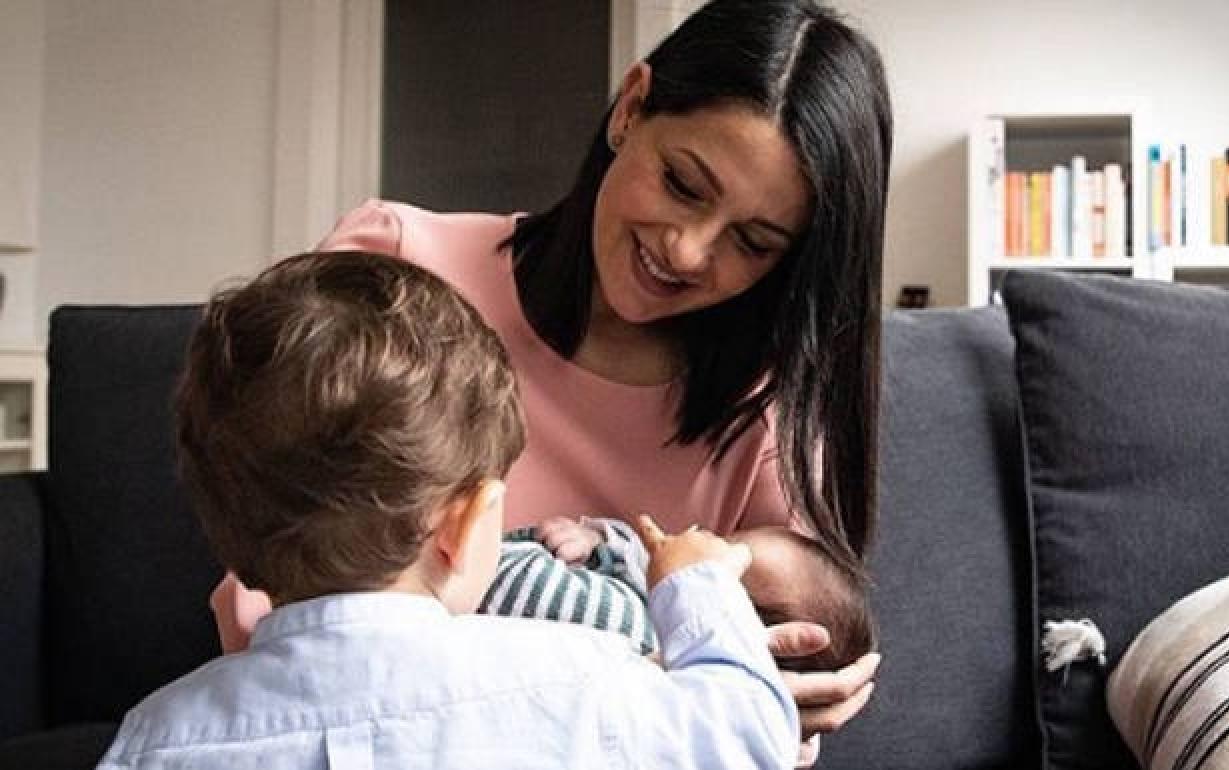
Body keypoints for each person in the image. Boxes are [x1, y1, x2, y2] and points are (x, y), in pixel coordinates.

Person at [213, 0, 892, 756]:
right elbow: (270, 567)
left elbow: (779, 659)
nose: (689, 251)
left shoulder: (757, 416)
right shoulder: (399, 265)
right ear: (631, 109)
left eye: (754, 241)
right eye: (682, 184)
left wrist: (777, 699)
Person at [97, 250, 799, 770]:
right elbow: (750, 732)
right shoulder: (586, 677)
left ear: (227, 534)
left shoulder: (156, 742)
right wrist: (694, 583)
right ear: (464, 527)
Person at [486, 515, 875, 674]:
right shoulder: (659, 586)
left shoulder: (637, 637)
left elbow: (505, 579)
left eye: (718, 563)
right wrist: (593, 537)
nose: (697, 540)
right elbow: (635, 555)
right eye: (722, 539)